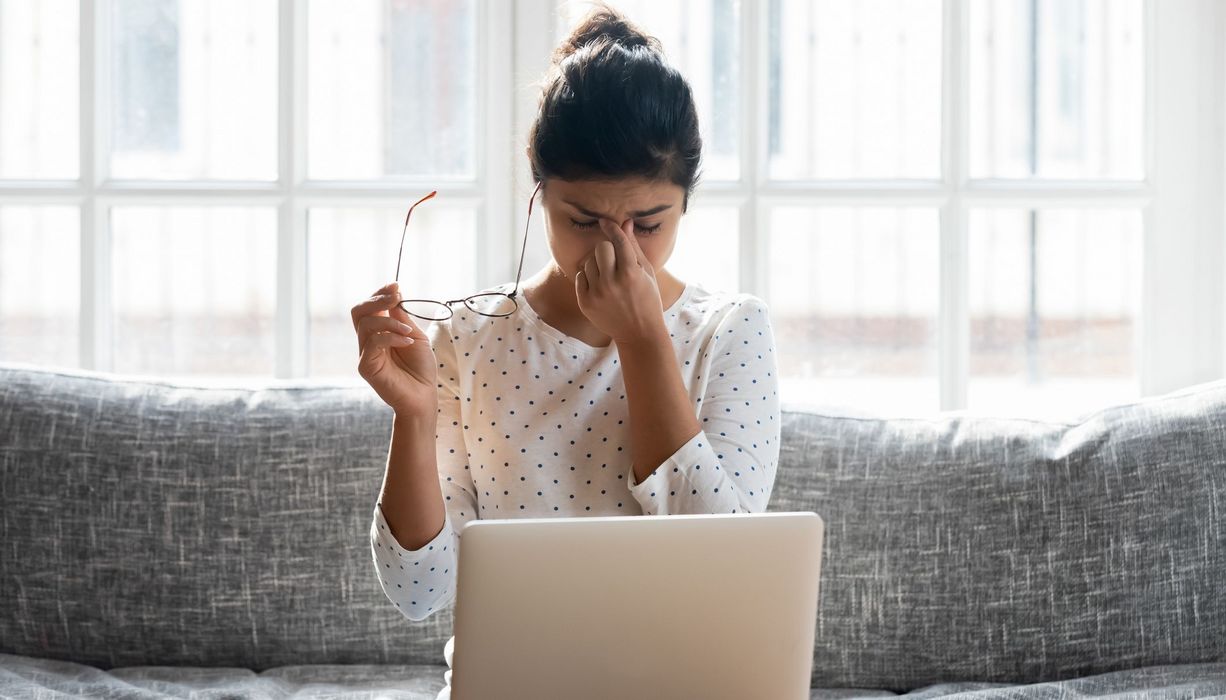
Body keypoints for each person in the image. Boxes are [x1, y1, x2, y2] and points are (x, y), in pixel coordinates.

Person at [355, 4, 781, 698]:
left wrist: (643, 339)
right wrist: (415, 418)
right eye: (582, 220)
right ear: (539, 194)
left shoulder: (730, 331)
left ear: (686, 202)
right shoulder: (469, 339)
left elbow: (720, 565)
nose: (616, 248)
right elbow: (417, 592)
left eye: (647, 223)